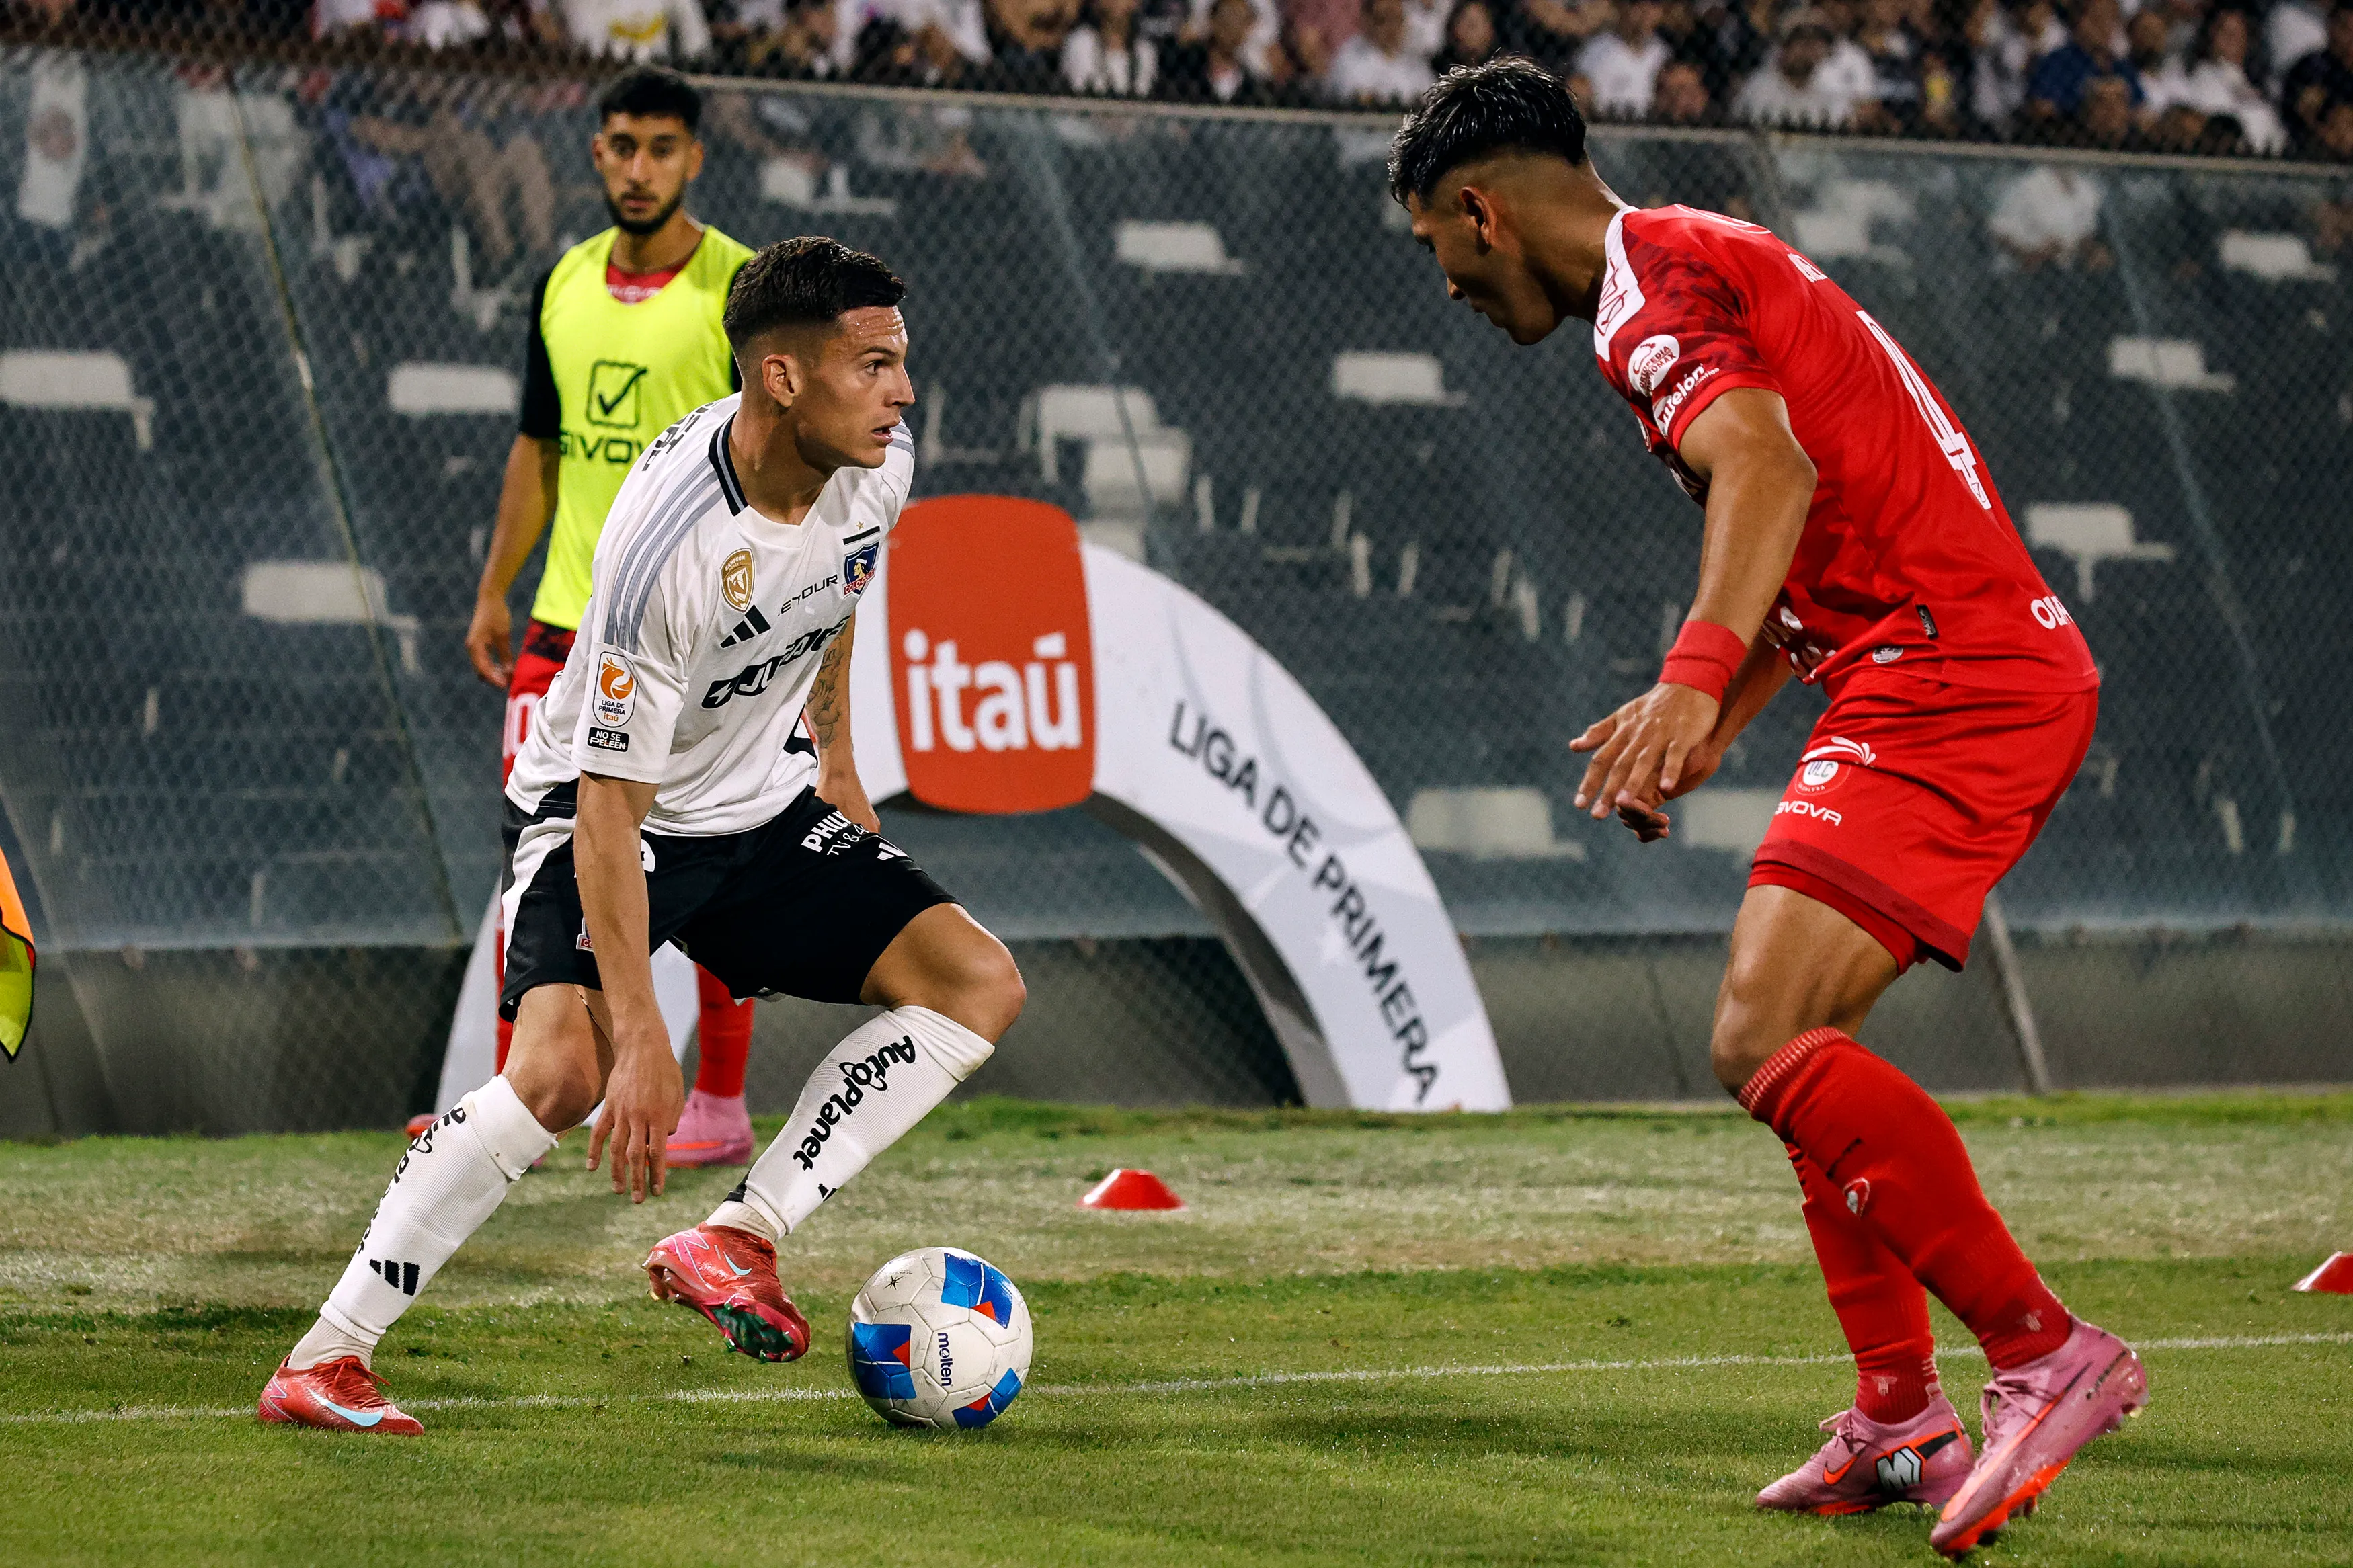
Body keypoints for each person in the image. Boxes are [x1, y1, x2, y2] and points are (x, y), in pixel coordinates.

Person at [1388, 59, 2144, 1559]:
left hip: (1951, 673)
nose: (1451, 286)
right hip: (1931, 659)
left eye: (1437, 249)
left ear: (1479, 210)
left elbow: (1769, 466)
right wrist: (1712, 717)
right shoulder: (1685, 254)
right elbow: (1818, 503)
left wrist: (1690, 677)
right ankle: (1898, 1414)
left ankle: (2044, 1350)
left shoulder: (1648, 296)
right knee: (1795, 1044)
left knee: (1754, 1035)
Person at [260, 236, 1026, 1435]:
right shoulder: (668, 550)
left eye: (901, 363)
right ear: (781, 378)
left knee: (975, 984)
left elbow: (835, 600)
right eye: (873, 364)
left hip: (762, 808)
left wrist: (836, 754)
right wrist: (639, 1037)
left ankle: (737, 1235)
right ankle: (327, 1357)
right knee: (559, 1075)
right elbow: (609, 811)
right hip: (607, 817)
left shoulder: (879, 464)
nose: (904, 392)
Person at [459, 68, 765, 1168]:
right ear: (596, 153)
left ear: (694, 159)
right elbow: (539, 449)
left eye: (662, 149)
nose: (640, 169)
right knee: (532, 859)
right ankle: (517, 1096)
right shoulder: (562, 282)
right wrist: (498, 583)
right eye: (623, 146)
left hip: (696, 637)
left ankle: (721, 1103)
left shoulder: (741, 289)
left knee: (725, 855)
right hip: (562, 626)